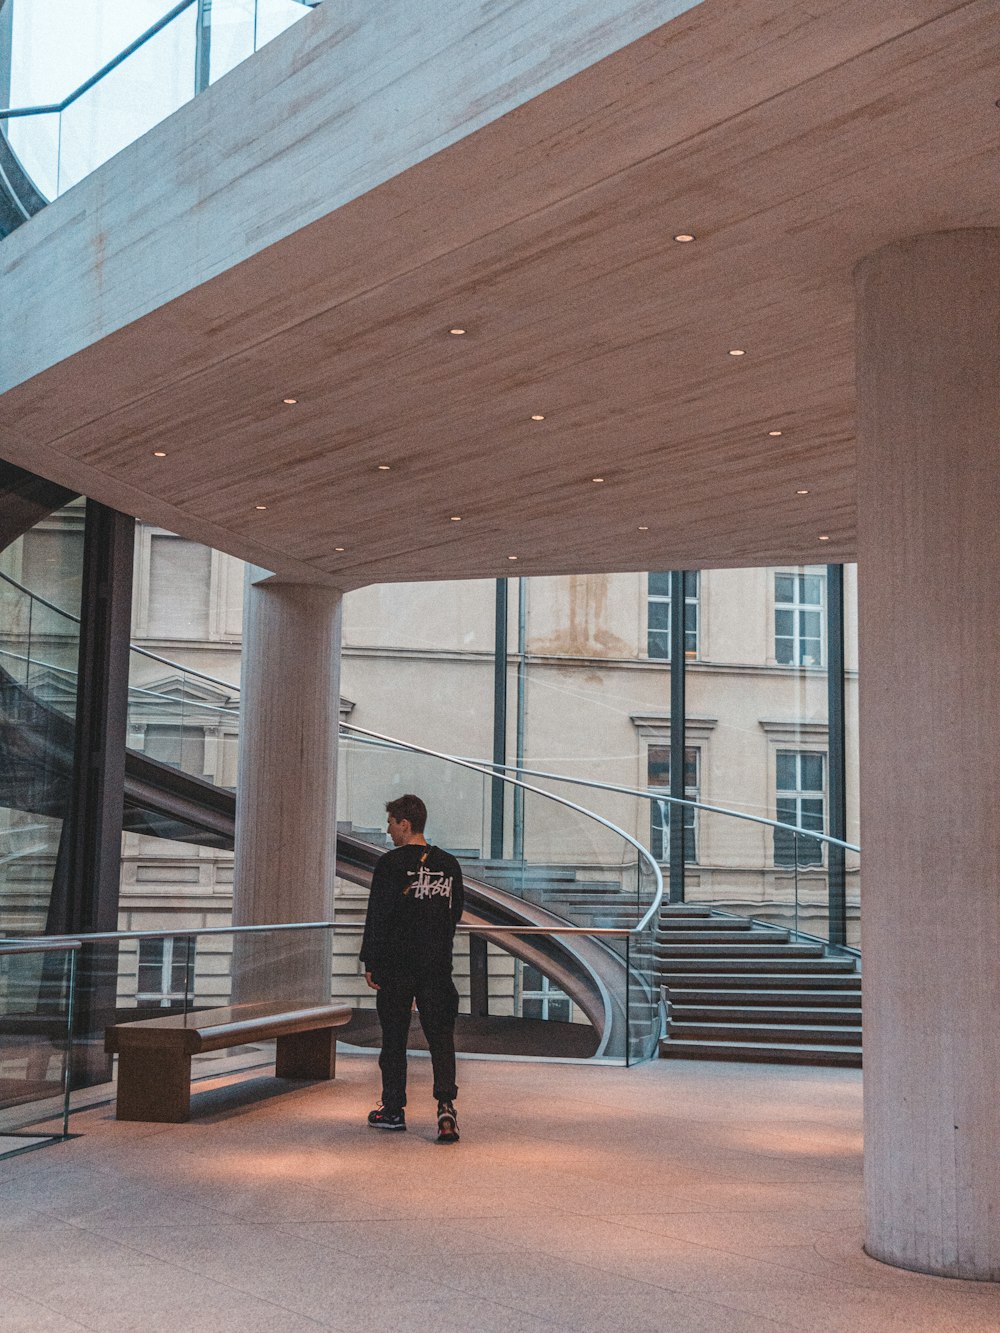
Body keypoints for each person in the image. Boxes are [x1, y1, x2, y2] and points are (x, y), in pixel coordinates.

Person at [360, 793, 464, 1142]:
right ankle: (446, 1107)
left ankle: (392, 1110)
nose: (388, 831)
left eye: (391, 824)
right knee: (440, 1037)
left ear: (405, 824)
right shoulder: (449, 865)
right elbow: (454, 915)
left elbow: (378, 917)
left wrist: (371, 961)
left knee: (394, 1038)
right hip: (436, 965)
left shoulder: (389, 865)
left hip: (396, 966)